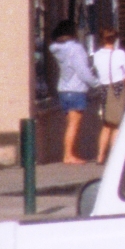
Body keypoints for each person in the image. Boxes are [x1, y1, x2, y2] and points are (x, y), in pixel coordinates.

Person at [48, 25, 98, 163]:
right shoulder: (76, 49)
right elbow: (83, 71)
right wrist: (95, 83)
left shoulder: (59, 50)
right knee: (73, 125)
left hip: (63, 89)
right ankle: (68, 155)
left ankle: (68, 154)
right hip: (76, 89)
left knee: (70, 124)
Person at [91, 33, 125, 162]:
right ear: (115, 40)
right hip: (118, 88)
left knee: (106, 125)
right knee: (116, 125)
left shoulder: (96, 56)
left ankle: (100, 156)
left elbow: (95, 70)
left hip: (104, 88)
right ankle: (114, 156)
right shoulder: (119, 54)